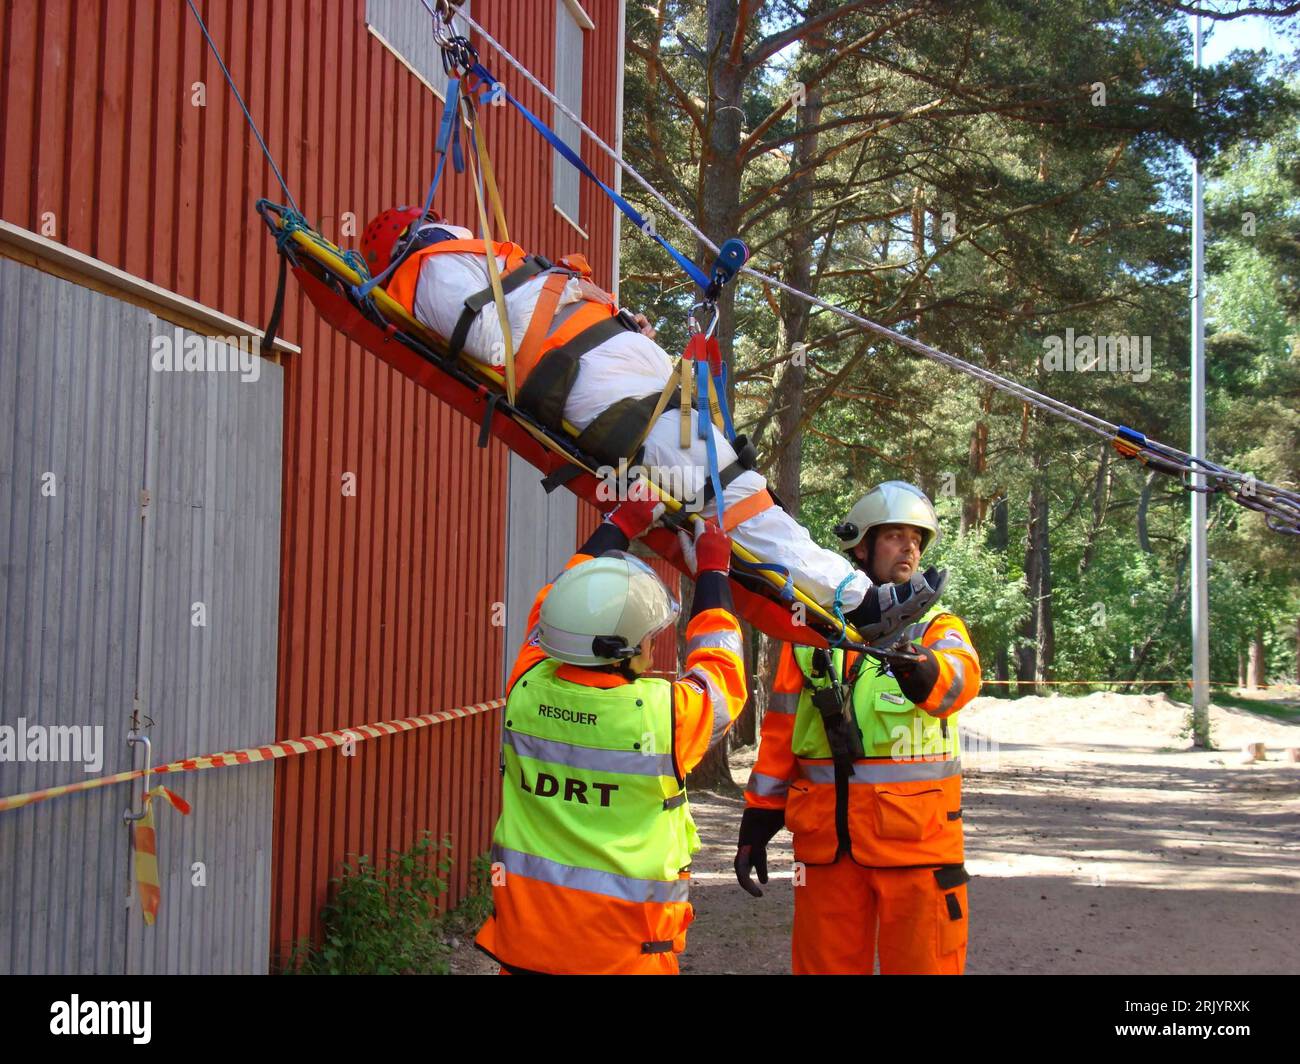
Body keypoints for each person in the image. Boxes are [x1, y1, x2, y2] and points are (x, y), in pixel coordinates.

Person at [359, 206, 944, 637]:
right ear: (416, 233)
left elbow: (515, 319)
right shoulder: (430, 273)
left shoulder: (465, 262)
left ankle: (858, 597)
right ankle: (862, 603)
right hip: (625, 408)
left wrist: (604, 315)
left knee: (744, 495)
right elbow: (490, 339)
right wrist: (566, 298)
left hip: (649, 393)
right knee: (736, 503)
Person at [473, 484, 746, 974]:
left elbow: (556, 604)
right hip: (625, 959)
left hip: (527, 949)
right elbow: (722, 673)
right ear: (631, 650)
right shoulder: (666, 715)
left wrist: (619, 524)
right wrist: (713, 573)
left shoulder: (527, 684)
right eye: (648, 637)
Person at [734, 481, 982, 975]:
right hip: (827, 854)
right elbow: (782, 731)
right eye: (894, 535)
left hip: (916, 853)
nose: (910, 546)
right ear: (861, 548)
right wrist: (758, 820)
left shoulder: (936, 627)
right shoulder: (809, 634)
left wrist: (928, 669)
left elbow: (962, 677)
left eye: (917, 538)